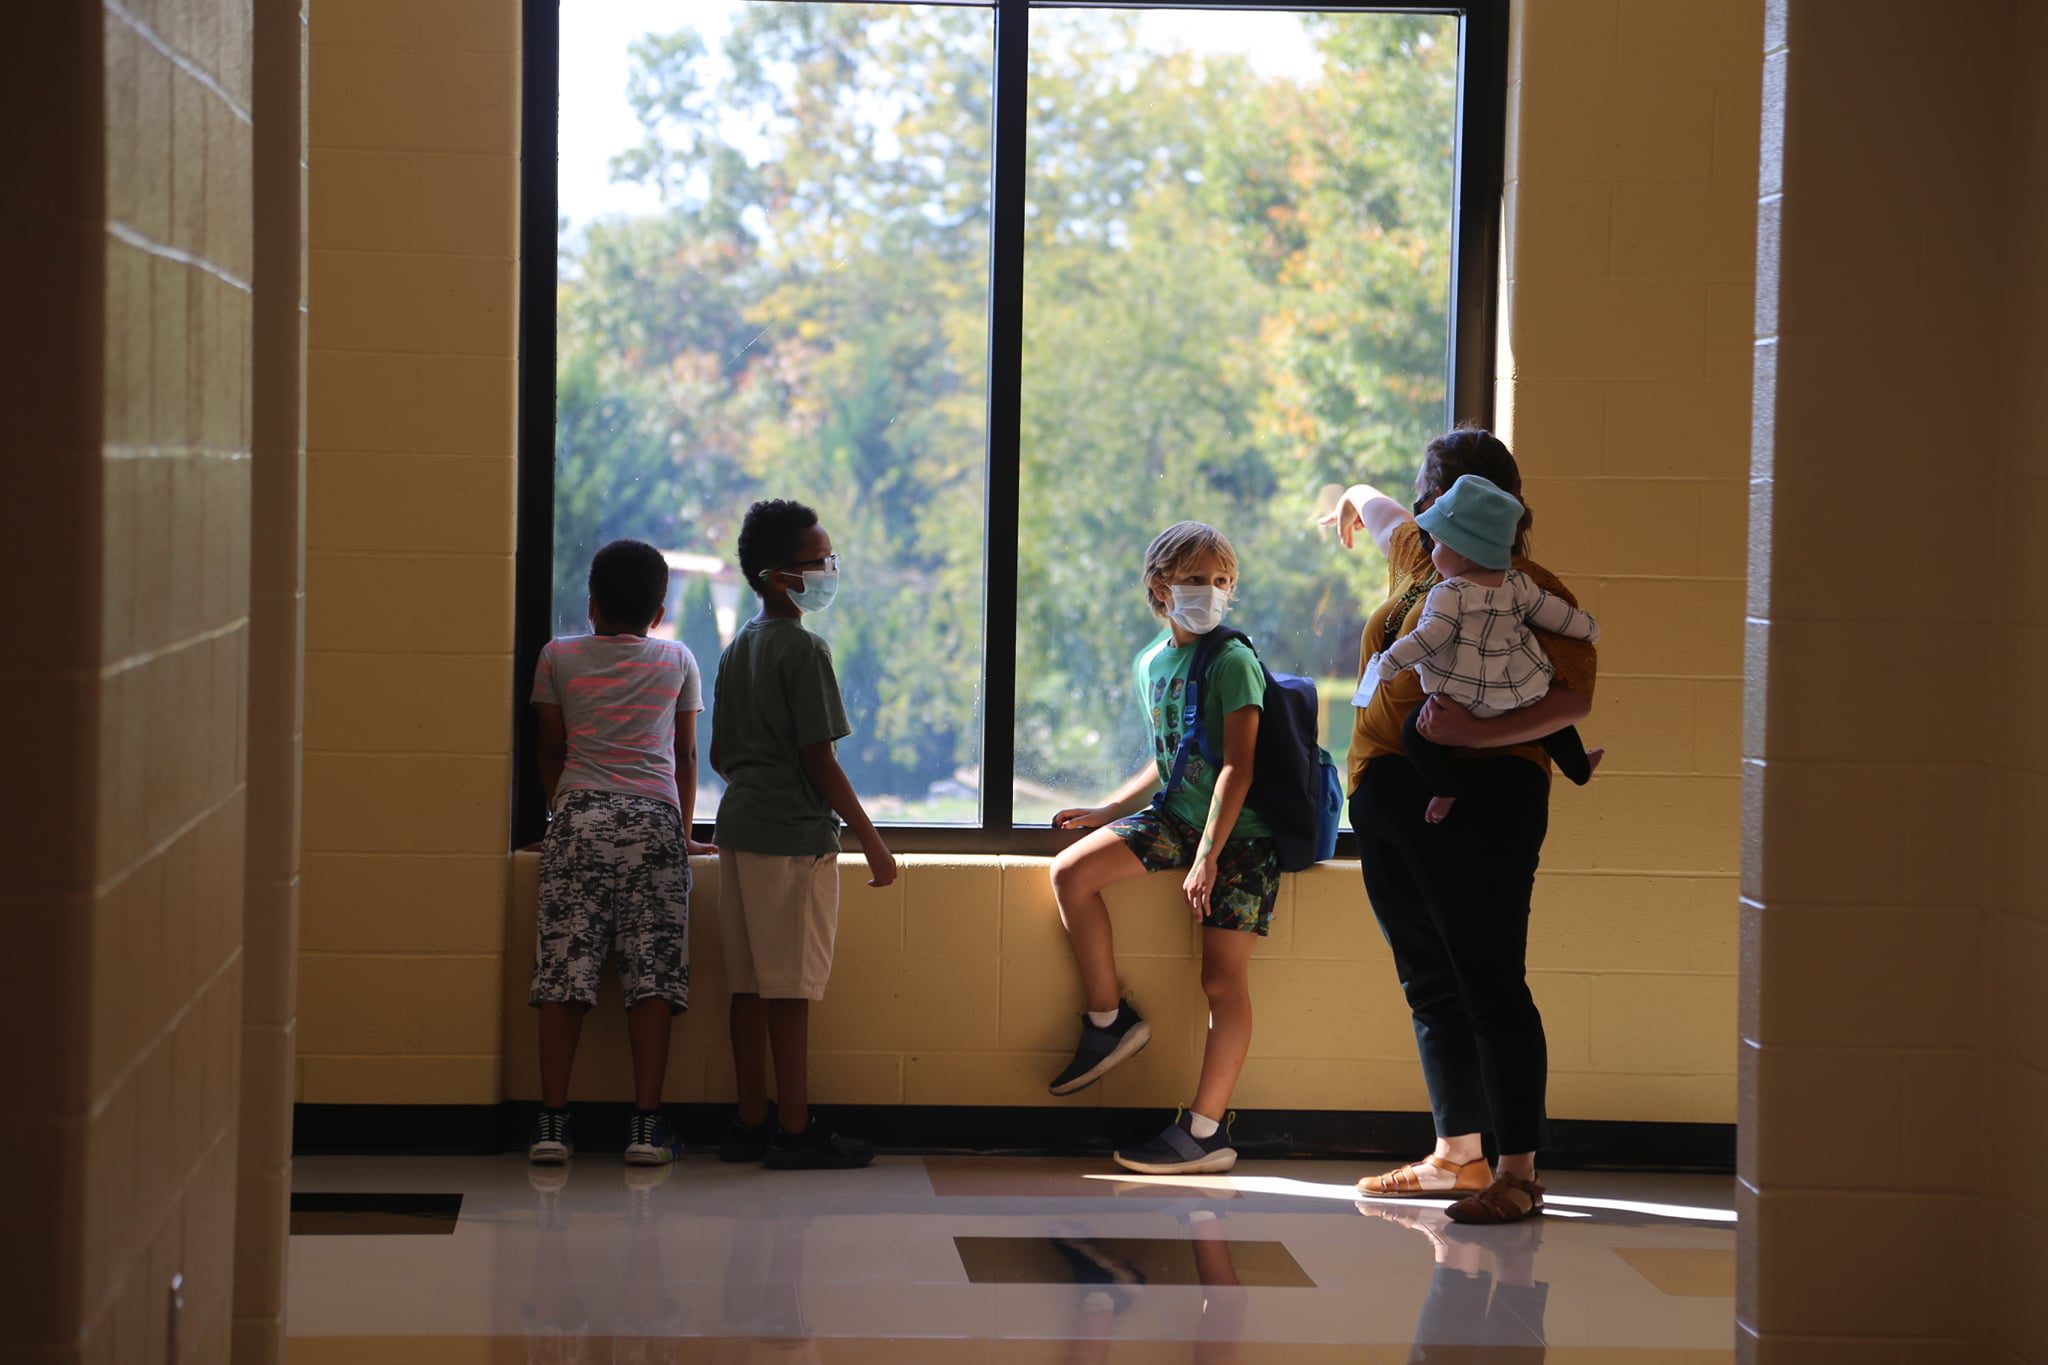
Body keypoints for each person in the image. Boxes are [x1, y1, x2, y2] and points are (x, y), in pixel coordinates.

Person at [1320, 427, 1597, 1224]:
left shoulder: (1532, 591)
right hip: (1388, 793)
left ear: (1487, 504)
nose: (1417, 511)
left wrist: (1470, 738)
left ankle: (1517, 1173)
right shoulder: (1427, 554)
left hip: (1481, 796)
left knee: (1489, 983)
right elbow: (1379, 515)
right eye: (1416, 496)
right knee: (1430, 981)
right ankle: (1458, 1155)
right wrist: (1348, 498)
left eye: (1432, 494)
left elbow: (1571, 703)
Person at [1046, 521, 1280, 1175]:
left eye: (1221, 581)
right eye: (1196, 579)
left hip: (1242, 837)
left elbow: (1238, 766)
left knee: (1220, 980)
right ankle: (1108, 1019)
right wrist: (1109, 810)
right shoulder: (1153, 661)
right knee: (1071, 873)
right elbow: (1173, 756)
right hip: (1176, 818)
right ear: (1160, 585)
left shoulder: (1234, 661)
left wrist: (1208, 854)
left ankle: (1205, 1131)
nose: (1211, 591)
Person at [710, 498, 895, 1170]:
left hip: (740, 830)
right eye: (818, 560)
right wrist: (872, 838)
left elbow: (720, 756)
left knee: (748, 984)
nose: (829, 569)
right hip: (791, 838)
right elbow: (820, 758)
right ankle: (794, 1127)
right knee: (790, 989)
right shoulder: (804, 649)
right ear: (779, 576)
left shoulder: (738, 650)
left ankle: (749, 1119)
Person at [528, 538, 713, 1167]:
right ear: (659, 612)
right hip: (654, 824)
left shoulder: (557, 657)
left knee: (564, 971)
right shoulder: (678, 659)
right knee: (654, 976)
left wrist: (562, 816)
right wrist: (683, 831)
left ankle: (552, 1124)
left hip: (577, 818)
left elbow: (550, 749)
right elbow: (685, 756)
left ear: (592, 604)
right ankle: (647, 1126)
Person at [1370, 473, 1601, 823]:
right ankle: (1580, 767)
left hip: (1459, 699)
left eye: (1438, 544)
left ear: (1463, 553)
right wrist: (1588, 627)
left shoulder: (1448, 594)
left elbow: (1429, 638)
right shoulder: (1518, 584)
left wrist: (1389, 663)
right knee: (1557, 729)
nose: (1431, 552)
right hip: (1516, 694)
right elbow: (1554, 615)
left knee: (1414, 735)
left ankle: (1445, 789)